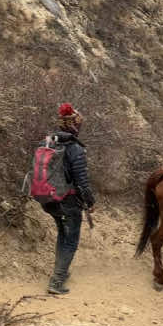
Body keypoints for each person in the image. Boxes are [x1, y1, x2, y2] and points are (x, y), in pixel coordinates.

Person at [42, 103, 95, 295]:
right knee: (71, 239)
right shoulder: (75, 148)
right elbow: (81, 181)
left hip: (49, 199)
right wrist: (90, 202)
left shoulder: (48, 142)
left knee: (62, 234)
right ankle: (56, 282)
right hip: (68, 202)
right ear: (75, 125)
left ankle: (60, 273)